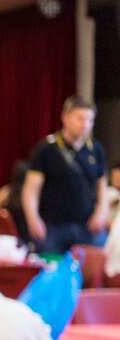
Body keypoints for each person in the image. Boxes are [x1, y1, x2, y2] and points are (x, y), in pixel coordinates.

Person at [22, 96, 108, 255]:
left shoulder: (96, 149)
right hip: (52, 227)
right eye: (80, 118)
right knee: (50, 266)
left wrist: (101, 212)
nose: (85, 124)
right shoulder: (47, 148)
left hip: (87, 227)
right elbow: (31, 189)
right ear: (65, 118)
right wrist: (33, 218)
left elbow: (102, 186)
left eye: (90, 120)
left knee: (93, 267)